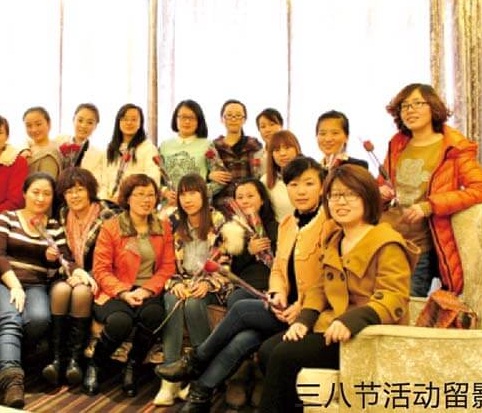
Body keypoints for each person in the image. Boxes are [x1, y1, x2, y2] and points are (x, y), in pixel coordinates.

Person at [156, 156, 330, 413]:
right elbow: (279, 270)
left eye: (308, 184)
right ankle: (200, 394)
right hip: (282, 304)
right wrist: (277, 293)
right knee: (243, 338)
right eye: (293, 185)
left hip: (311, 312)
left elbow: (327, 281)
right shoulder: (289, 225)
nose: (300, 191)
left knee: (240, 310)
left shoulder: (328, 225)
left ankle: (196, 362)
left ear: (323, 187)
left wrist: (301, 308)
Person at [257, 164, 418, 413]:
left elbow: (394, 297)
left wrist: (352, 320)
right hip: (332, 325)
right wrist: (304, 319)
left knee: (284, 355)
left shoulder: (387, 242)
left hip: (368, 333)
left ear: (367, 197)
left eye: (350, 194)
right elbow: (321, 287)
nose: (341, 202)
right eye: (334, 195)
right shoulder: (336, 239)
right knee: (267, 350)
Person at [380, 83, 482, 296]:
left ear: (433, 107)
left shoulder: (454, 147)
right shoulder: (398, 143)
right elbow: (382, 182)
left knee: (406, 305)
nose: (410, 110)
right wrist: (381, 191)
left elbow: (481, 188)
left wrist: (430, 206)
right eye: (404, 106)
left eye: (417, 103)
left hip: (420, 245)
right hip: (386, 237)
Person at [83, 174, 175, 397]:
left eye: (151, 195)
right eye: (140, 194)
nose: (146, 200)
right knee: (120, 322)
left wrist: (147, 289)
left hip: (148, 290)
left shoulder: (163, 226)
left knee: (154, 316)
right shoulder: (111, 227)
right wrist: (124, 292)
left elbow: (167, 266)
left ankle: (132, 366)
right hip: (115, 290)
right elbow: (101, 269)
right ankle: (95, 364)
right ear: (128, 198)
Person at [0, 171, 70, 407]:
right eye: (35, 192)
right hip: (4, 282)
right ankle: (12, 381)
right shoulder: (7, 218)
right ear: (24, 193)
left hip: (35, 284)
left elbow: (65, 259)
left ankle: (9, 354)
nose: (40, 198)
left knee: (39, 319)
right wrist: (14, 285)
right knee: (11, 318)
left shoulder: (53, 227)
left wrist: (53, 260)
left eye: (46, 194)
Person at [154, 173, 227, 406]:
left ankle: (200, 374)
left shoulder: (218, 220)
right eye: (183, 194)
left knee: (195, 304)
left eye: (193, 193)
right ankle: (170, 380)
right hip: (181, 280)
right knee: (171, 300)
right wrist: (175, 282)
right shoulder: (171, 221)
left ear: (204, 195)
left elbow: (225, 263)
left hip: (210, 283)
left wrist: (208, 283)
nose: (187, 199)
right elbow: (164, 261)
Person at [42, 167, 119, 388]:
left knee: (81, 291)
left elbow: (116, 258)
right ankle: (57, 359)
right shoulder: (62, 214)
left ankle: (75, 361)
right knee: (61, 290)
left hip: (101, 275)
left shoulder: (107, 215)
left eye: (79, 190)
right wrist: (53, 258)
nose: (74, 196)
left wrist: (87, 275)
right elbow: (59, 252)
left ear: (90, 190)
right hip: (68, 273)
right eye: (69, 191)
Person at [221, 176, 278, 308]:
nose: (245, 201)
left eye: (250, 196)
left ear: (262, 200)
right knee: (236, 299)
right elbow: (231, 269)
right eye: (240, 198)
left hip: (271, 286)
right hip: (244, 287)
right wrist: (249, 252)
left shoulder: (276, 227)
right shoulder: (232, 230)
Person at [158, 99, 228, 205]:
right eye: (183, 117)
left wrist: (199, 194)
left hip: (198, 206)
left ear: (199, 121)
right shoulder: (164, 146)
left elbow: (221, 180)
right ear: (175, 119)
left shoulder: (207, 145)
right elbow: (155, 177)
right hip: (170, 206)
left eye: (192, 118)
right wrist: (164, 192)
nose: (187, 121)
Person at [99, 104, 160, 201]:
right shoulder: (110, 149)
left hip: (135, 203)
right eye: (125, 119)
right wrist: (104, 201)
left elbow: (153, 180)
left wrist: (126, 199)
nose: (129, 123)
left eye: (134, 119)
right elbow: (103, 181)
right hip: (110, 203)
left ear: (140, 123)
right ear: (118, 122)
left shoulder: (148, 148)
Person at [212, 99, 263, 210]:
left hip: (248, 206)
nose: (233, 119)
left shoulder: (254, 145)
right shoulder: (214, 147)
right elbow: (204, 171)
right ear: (222, 119)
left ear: (244, 119)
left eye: (238, 115)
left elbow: (261, 174)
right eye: (229, 115)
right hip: (221, 206)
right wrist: (209, 175)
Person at [262, 130, 301, 222]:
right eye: (277, 150)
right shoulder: (265, 180)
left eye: (287, 148)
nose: (282, 153)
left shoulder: (310, 174)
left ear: (297, 149)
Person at [55, 103, 104, 173]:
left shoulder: (97, 155)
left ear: (95, 126)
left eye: (90, 123)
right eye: (80, 120)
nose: (83, 126)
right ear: (73, 120)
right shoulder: (59, 140)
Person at [21, 107, 63, 178]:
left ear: (48, 124)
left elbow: (47, 182)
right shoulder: (26, 147)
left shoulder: (51, 154)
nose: (34, 130)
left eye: (38, 124)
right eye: (29, 126)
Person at [254, 108, 284, 177]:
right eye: (263, 126)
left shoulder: (291, 152)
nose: (267, 130)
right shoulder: (257, 156)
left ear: (281, 126)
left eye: (272, 124)